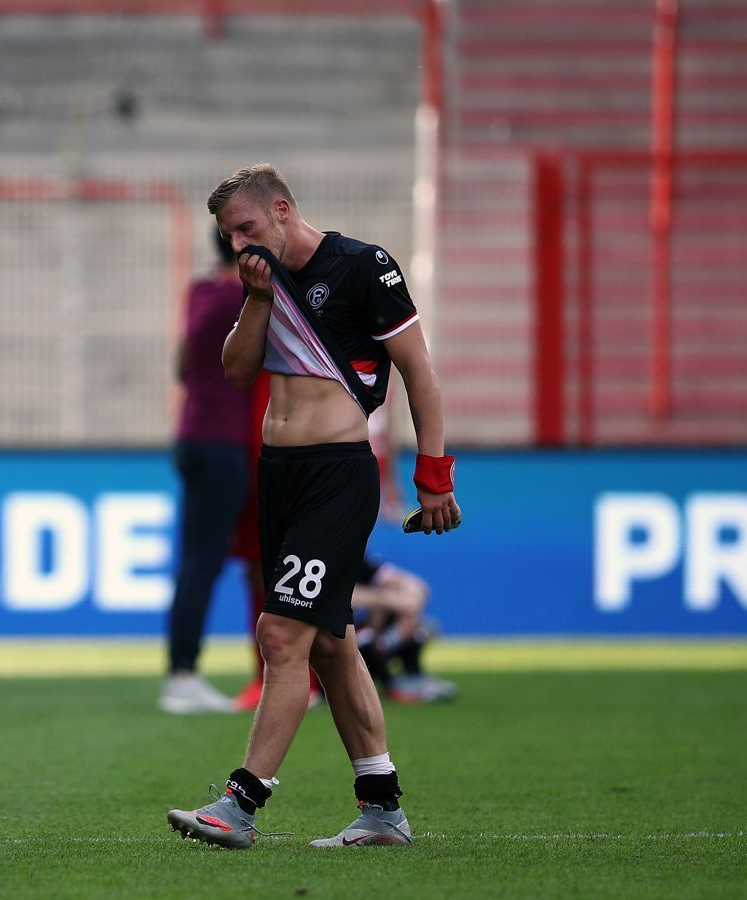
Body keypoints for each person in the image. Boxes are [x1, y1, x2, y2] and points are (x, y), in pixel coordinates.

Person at [167, 163, 460, 849]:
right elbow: (237, 372)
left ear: (281, 209)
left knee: (280, 636)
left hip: (336, 472)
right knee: (331, 644)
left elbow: (419, 372)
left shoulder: (362, 267)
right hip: (280, 475)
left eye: (246, 228)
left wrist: (435, 475)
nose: (239, 244)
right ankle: (382, 808)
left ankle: (241, 804)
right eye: (229, 236)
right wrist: (258, 299)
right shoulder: (261, 286)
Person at [160, 231, 254, 715]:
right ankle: (183, 677)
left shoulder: (199, 292)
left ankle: (181, 673)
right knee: (203, 563)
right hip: (222, 442)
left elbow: (182, 365)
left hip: (192, 434)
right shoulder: (240, 297)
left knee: (195, 562)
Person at [351, 554, 456, 704]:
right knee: (373, 629)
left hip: (368, 638)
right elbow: (342, 599)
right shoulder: (331, 559)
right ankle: (393, 685)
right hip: (341, 642)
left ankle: (411, 676)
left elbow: (417, 587)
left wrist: (406, 614)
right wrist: (387, 600)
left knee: (425, 627)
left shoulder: (363, 562)